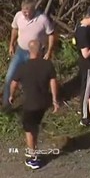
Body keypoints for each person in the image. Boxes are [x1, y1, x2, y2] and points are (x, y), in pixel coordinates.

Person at [8, 39, 59, 170]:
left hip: (30, 104)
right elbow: (53, 82)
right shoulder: (48, 65)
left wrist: (11, 95)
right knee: (34, 126)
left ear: (29, 51)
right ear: (41, 50)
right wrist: (54, 100)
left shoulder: (23, 67)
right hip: (43, 103)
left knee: (29, 130)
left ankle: (33, 157)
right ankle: (34, 149)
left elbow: (13, 83)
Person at [2, 0, 55, 110]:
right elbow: (14, 29)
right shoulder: (18, 16)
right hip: (20, 51)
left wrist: (49, 50)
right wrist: (11, 44)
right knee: (10, 77)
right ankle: (7, 105)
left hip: (36, 54)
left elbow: (51, 34)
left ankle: (38, 103)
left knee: (35, 79)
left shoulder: (42, 19)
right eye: (23, 10)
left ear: (33, 10)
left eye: (27, 11)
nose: (25, 13)